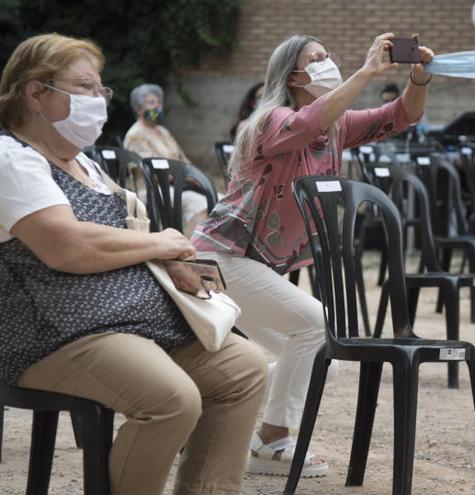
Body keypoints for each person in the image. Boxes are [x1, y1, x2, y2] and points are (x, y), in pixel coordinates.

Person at [0, 33, 267, 494]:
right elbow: (65, 246)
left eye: (99, 90)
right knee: (172, 398)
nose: (98, 100)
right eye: (83, 87)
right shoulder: (11, 158)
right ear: (36, 93)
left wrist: (169, 255)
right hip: (57, 331)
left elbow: (124, 238)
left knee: (244, 368)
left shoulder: (86, 165)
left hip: (132, 322)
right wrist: (158, 244)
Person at [192, 32, 433, 477]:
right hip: (221, 257)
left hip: (252, 264)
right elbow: (306, 125)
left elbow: (400, 117)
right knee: (317, 328)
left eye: (329, 55)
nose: (328, 63)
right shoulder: (270, 119)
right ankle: (272, 441)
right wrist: (365, 72)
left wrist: (419, 78)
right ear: (294, 74)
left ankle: (215, 407)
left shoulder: (336, 126)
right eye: (316, 59)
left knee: (321, 360)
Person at [123, 83, 213, 237]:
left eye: (159, 102)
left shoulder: (162, 131)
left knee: (217, 198)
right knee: (200, 204)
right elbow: (152, 173)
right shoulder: (135, 134)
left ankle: (204, 249)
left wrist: (196, 177)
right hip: (152, 190)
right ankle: (192, 253)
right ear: (138, 108)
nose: (157, 107)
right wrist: (185, 178)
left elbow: (182, 158)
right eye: (151, 103)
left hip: (177, 184)